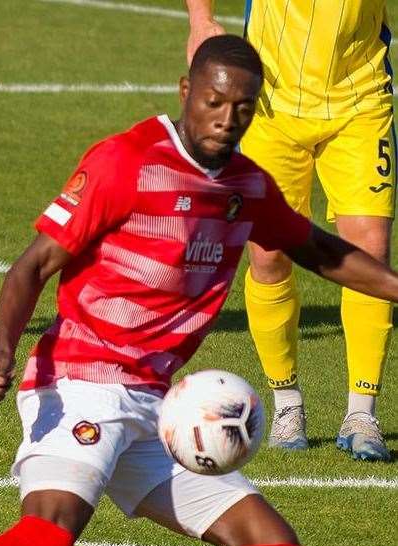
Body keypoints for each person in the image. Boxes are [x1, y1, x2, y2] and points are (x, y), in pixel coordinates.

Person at [0, 35, 398, 546]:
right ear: (185, 91)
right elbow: (31, 265)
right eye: (213, 103)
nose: (226, 119)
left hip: (158, 407)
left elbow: (319, 251)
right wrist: (2, 350)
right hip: (80, 384)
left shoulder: (247, 186)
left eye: (242, 108)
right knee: (48, 534)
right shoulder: (125, 161)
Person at [186, 0, 393, 460]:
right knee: (269, 254)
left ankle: (362, 411)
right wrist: (201, 18)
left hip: (360, 101)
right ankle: (287, 403)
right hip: (270, 105)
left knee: (371, 251)